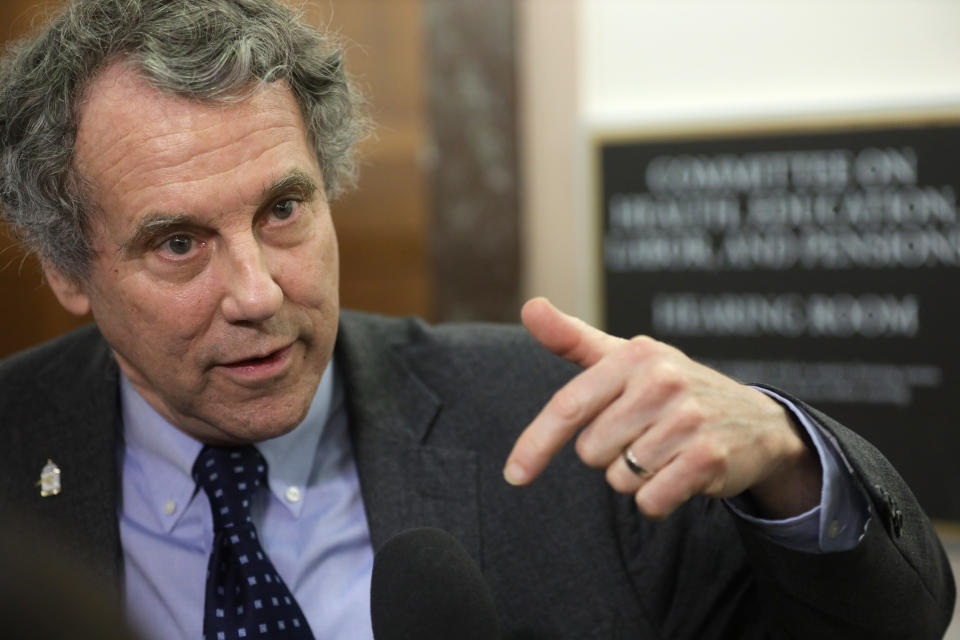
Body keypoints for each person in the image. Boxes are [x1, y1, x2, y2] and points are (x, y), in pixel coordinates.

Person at [0, 0, 953, 638]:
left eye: (282, 210)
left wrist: (789, 461)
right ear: (67, 268)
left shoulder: (561, 425)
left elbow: (893, 624)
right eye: (178, 244)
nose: (255, 294)